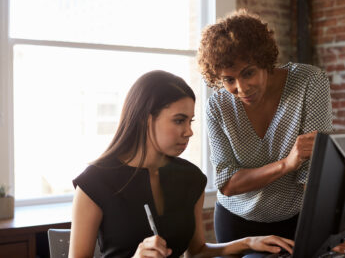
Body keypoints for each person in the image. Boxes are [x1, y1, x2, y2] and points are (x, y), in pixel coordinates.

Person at [69, 70, 294, 258]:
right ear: (145, 118)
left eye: (190, 121)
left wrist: (248, 242)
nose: (189, 132)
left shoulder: (191, 178)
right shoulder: (94, 183)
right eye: (179, 120)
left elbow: (196, 251)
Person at [197, 9, 334, 244]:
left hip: (296, 219)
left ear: (264, 60)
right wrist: (287, 164)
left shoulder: (309, 82)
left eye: (248, 73)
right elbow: (228, 183)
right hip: (235, 223)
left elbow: (312, 172)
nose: (242, 88)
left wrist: (329, 232)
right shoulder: (217, 106)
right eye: (229, 79)